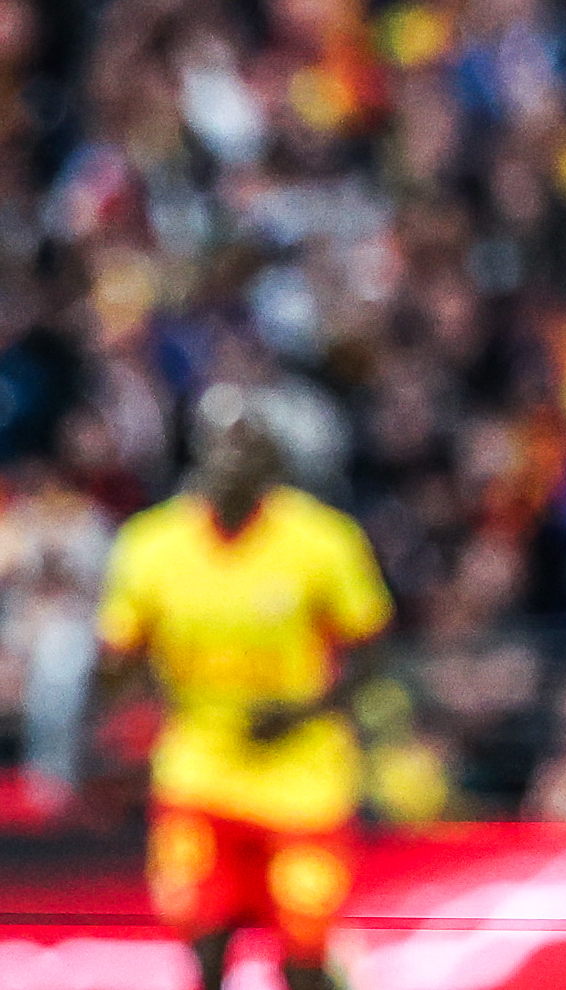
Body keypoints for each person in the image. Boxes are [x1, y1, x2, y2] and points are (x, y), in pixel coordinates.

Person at [95, 386, 394, 990]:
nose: (232, 460)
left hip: (302, 772)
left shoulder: (323, 541)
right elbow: (119, 656)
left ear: (272, 462)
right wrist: (128, 698)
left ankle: (326, 966)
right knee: (203, 937)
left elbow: (372, 655)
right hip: (200, 765)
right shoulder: (150, 545)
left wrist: (303, 711)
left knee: (302, 954)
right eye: (220, 445)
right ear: (196, 451)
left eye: (247, 447)